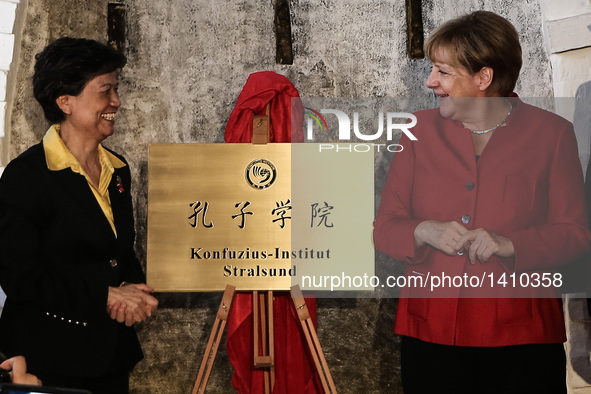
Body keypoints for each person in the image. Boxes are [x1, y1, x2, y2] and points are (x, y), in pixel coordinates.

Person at [373, 11, 590, 394]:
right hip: (432, 335)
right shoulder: (417, 133)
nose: (430, 81)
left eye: (443, 72)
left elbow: (575, 234)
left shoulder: (552, 135)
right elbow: (385, 229)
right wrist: (423, 230)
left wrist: (512, 244)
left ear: (483, 78)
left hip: (522, 340)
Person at [0, 37, 158, 393]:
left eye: (116, 90)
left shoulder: (117, 168)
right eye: (105, 91)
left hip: (109, 355)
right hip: (47, 360)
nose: (116, 102)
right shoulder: (26, 176)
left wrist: (133, 291)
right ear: (65, 101)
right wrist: (106, 296)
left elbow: (118, 253)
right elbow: (20, 277)